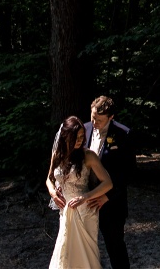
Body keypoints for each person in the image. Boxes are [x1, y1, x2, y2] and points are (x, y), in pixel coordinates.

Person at [47, 116, 113, 269]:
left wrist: (86, 197)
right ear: (65, 137)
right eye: (75, 137)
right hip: (65, 210)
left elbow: (108, 183)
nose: (79, 140)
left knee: (86, 255)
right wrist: (53, 193)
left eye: (82, 136)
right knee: (66, 251)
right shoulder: (58, 154)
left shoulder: (88, 156)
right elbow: (49, 178)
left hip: (85, 210)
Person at [84, 96, 135, 269]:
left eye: (99, 119)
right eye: (92, 117)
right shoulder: (83, 130)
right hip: (86, 199)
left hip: (112, 203)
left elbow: (128, 172)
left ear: (111, 117)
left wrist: (108, 196)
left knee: (115, 247)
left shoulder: (123, 134)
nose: (94, 121)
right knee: (85, 246)